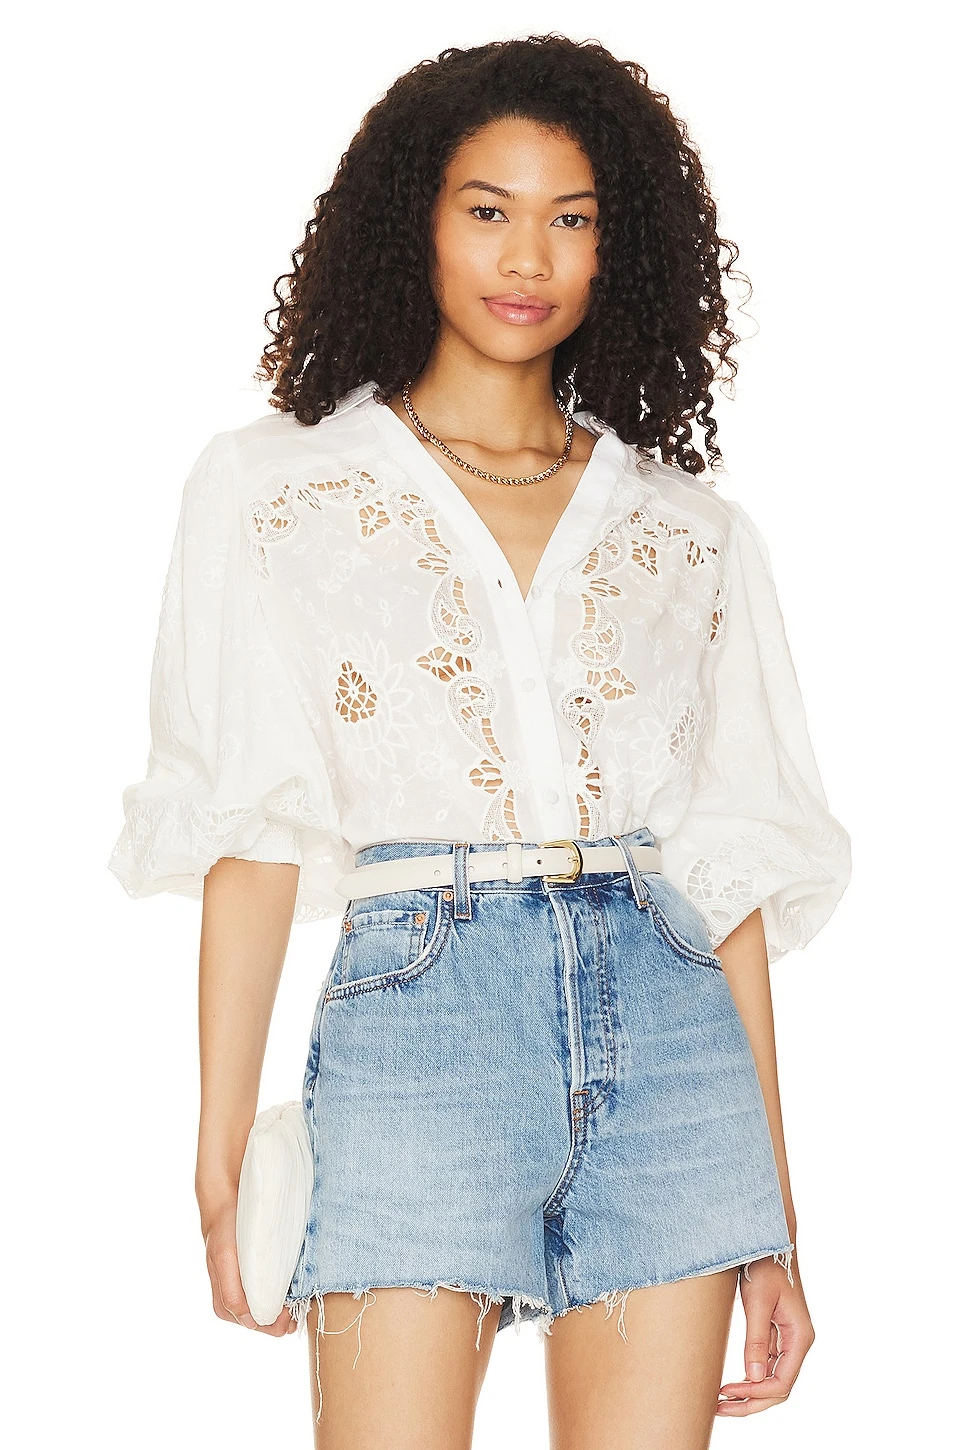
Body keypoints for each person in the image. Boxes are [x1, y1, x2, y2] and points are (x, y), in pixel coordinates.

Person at [108, 33, 852, 1450]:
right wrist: (218, 1156)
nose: (528, 257)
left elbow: (728, 875)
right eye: (488, 209)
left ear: (617, 248)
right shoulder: (281, 490)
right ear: (419, 223)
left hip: (671, 1045)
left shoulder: (690, 529)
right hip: (421, 1021)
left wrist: (773, 1217)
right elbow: (251, 832)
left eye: (571, 218)